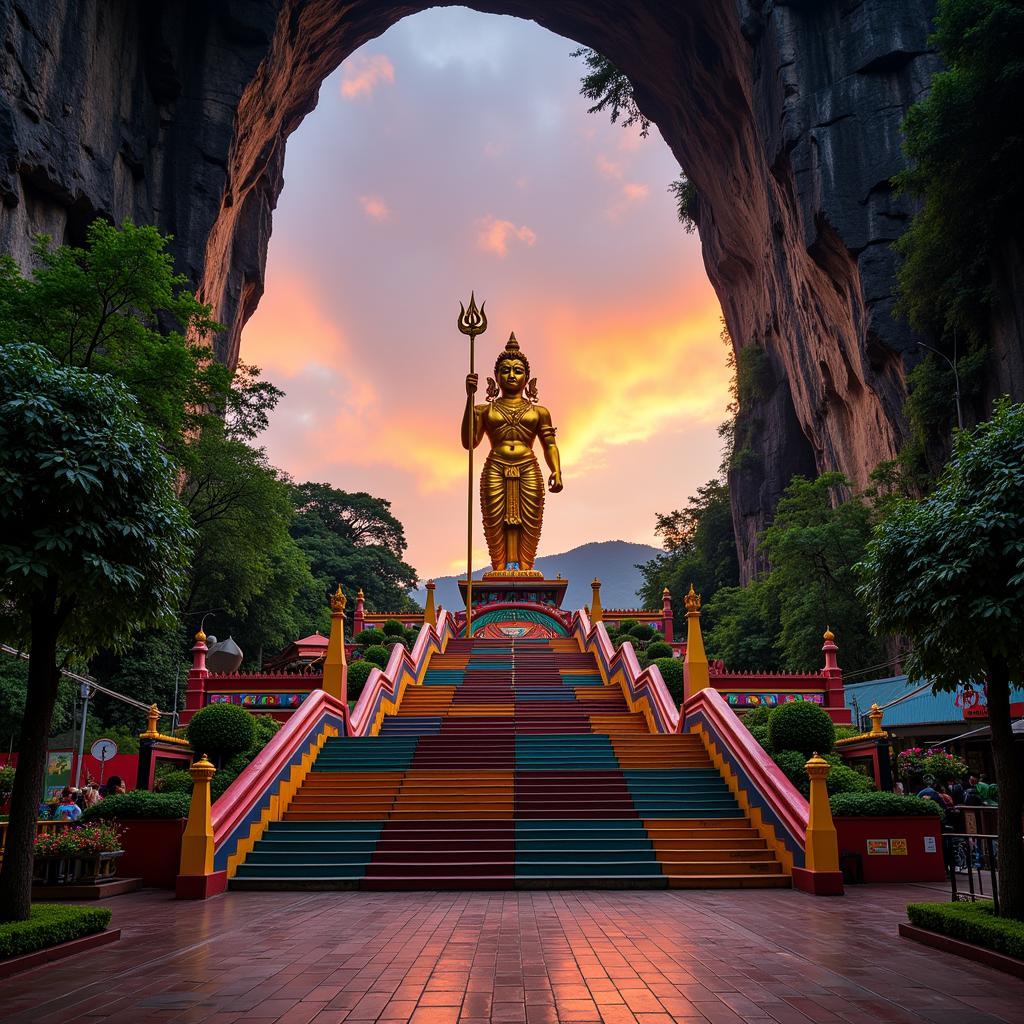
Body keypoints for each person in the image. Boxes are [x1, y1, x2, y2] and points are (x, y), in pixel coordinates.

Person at [462, 332, 563, 573]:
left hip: (528, 466)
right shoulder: (483, 410)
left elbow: (549, 443)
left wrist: (557, 470)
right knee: (496, 522)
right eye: (505, 370)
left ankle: (526, 567)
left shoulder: (539, 412)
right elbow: (469, 442)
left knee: (529, 521)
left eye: (517, 370)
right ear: (496, 377)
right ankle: (499, 568)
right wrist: (469, 398)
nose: (511, 375)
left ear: (527, 378)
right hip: (495, 466)